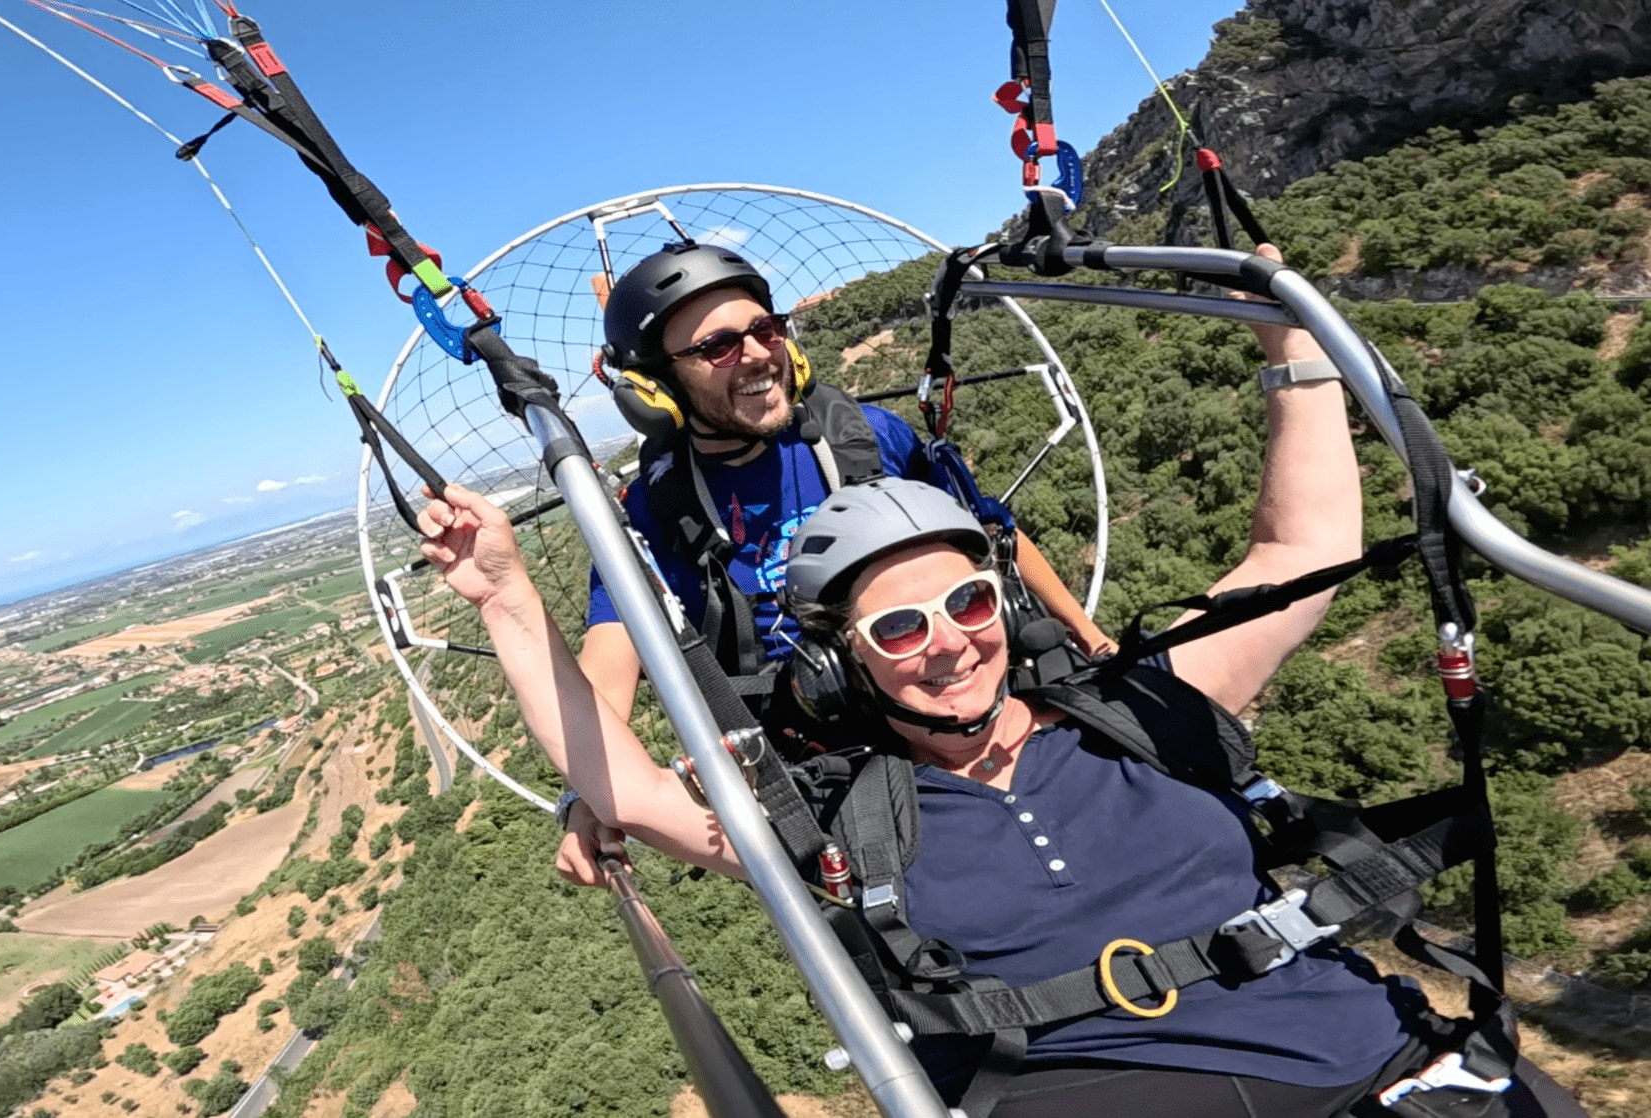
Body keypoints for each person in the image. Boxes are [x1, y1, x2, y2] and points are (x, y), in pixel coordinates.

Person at [415, 248, 1584, 1117]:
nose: (948, 638)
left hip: (1371, 1061)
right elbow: (626, 640)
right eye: (713, 346)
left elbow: (1279, 552)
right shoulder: (833, 807)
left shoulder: (880, 450)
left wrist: (1118, 674)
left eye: (966, 608)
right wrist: (511, 607)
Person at [559, 240, 1110, 882]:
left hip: (949, 700)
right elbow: (614, 643)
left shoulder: (866, 438)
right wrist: (586, 796)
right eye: (717, 346)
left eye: (764, 329)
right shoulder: (658, 509)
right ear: (657, 389)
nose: (758, 354)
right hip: (824, 771)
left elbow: (996, 535)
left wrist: (1090, 640)